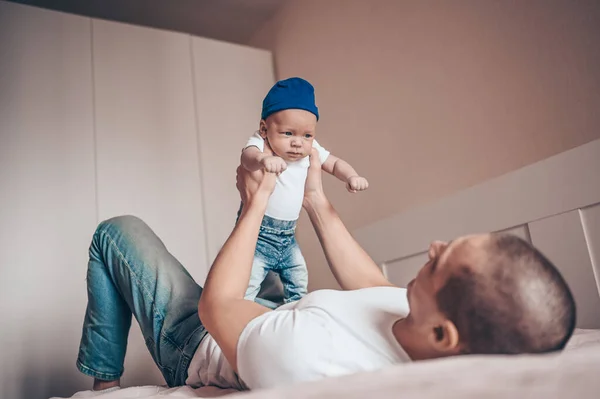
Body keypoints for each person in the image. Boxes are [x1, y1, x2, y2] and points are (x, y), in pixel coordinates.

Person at [76, 148, 576, 392]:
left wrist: (254, 205)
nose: (434, 246)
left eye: (443, 260)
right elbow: (372, 287)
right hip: (279, 314)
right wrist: (314, 199)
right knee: (273, 218)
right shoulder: (419, 325)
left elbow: (218, 307)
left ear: (444, 334)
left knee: (115, 232)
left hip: (203, 337)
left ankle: (104, 384)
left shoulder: (310, 359)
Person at [239, 77, 368, 305]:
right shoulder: (261, 143)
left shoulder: (311, 150)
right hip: (260, 234)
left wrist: (351, 176)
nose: (298, 143)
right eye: (288, 133)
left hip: (288, 237)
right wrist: (262, 159)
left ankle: (294, 314)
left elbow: (335, 163)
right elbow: (247, 158)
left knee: (299, 282)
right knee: (247, 286)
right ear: (264, 128)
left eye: (307, 135)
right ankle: (241, 316)